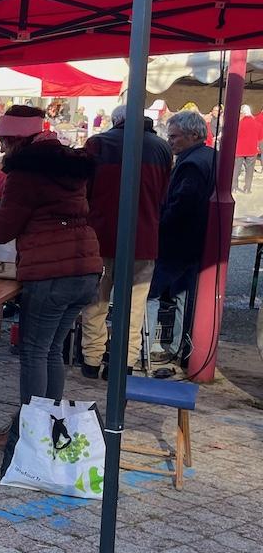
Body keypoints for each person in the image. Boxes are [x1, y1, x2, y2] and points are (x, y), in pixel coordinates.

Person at [0, 106, 102, 465]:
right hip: (86, 267)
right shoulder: (69, 165)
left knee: (34, 352)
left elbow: (1, 230)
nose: (2, 147)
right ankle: (44, 427)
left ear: (15, 139)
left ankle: (28, 435)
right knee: (51, 351)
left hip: (51, 274)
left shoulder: (26, 171)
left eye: (4, 141)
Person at [79, 106, 172, 378]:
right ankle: (125, 362)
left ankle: (91, 359)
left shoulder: (97, 143)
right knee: (133, 305)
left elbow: (84, 192)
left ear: (116, 121)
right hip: (143, 239)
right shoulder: (162, 148)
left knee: (96, 301)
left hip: (100, 237)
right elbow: (163, 195)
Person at [148, 110, 216, 368]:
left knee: (154, 294)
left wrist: (159, 227)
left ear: (194, 135)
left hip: (178, 242)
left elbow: (182, 206)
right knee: (183, 296)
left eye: (175, 137)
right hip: (194, 242)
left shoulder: (191, 164)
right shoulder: (210, 156)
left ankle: (154, 347)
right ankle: (176, 346)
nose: (171, 141)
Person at [234, 104, 259, 194]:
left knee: (236, 168)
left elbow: (236, 134)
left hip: (239, 149)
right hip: (252, 149)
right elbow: (259, 135)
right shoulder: (255, 122)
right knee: (250, 170)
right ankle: (247, 188)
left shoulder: (239, 123)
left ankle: (234, 187)